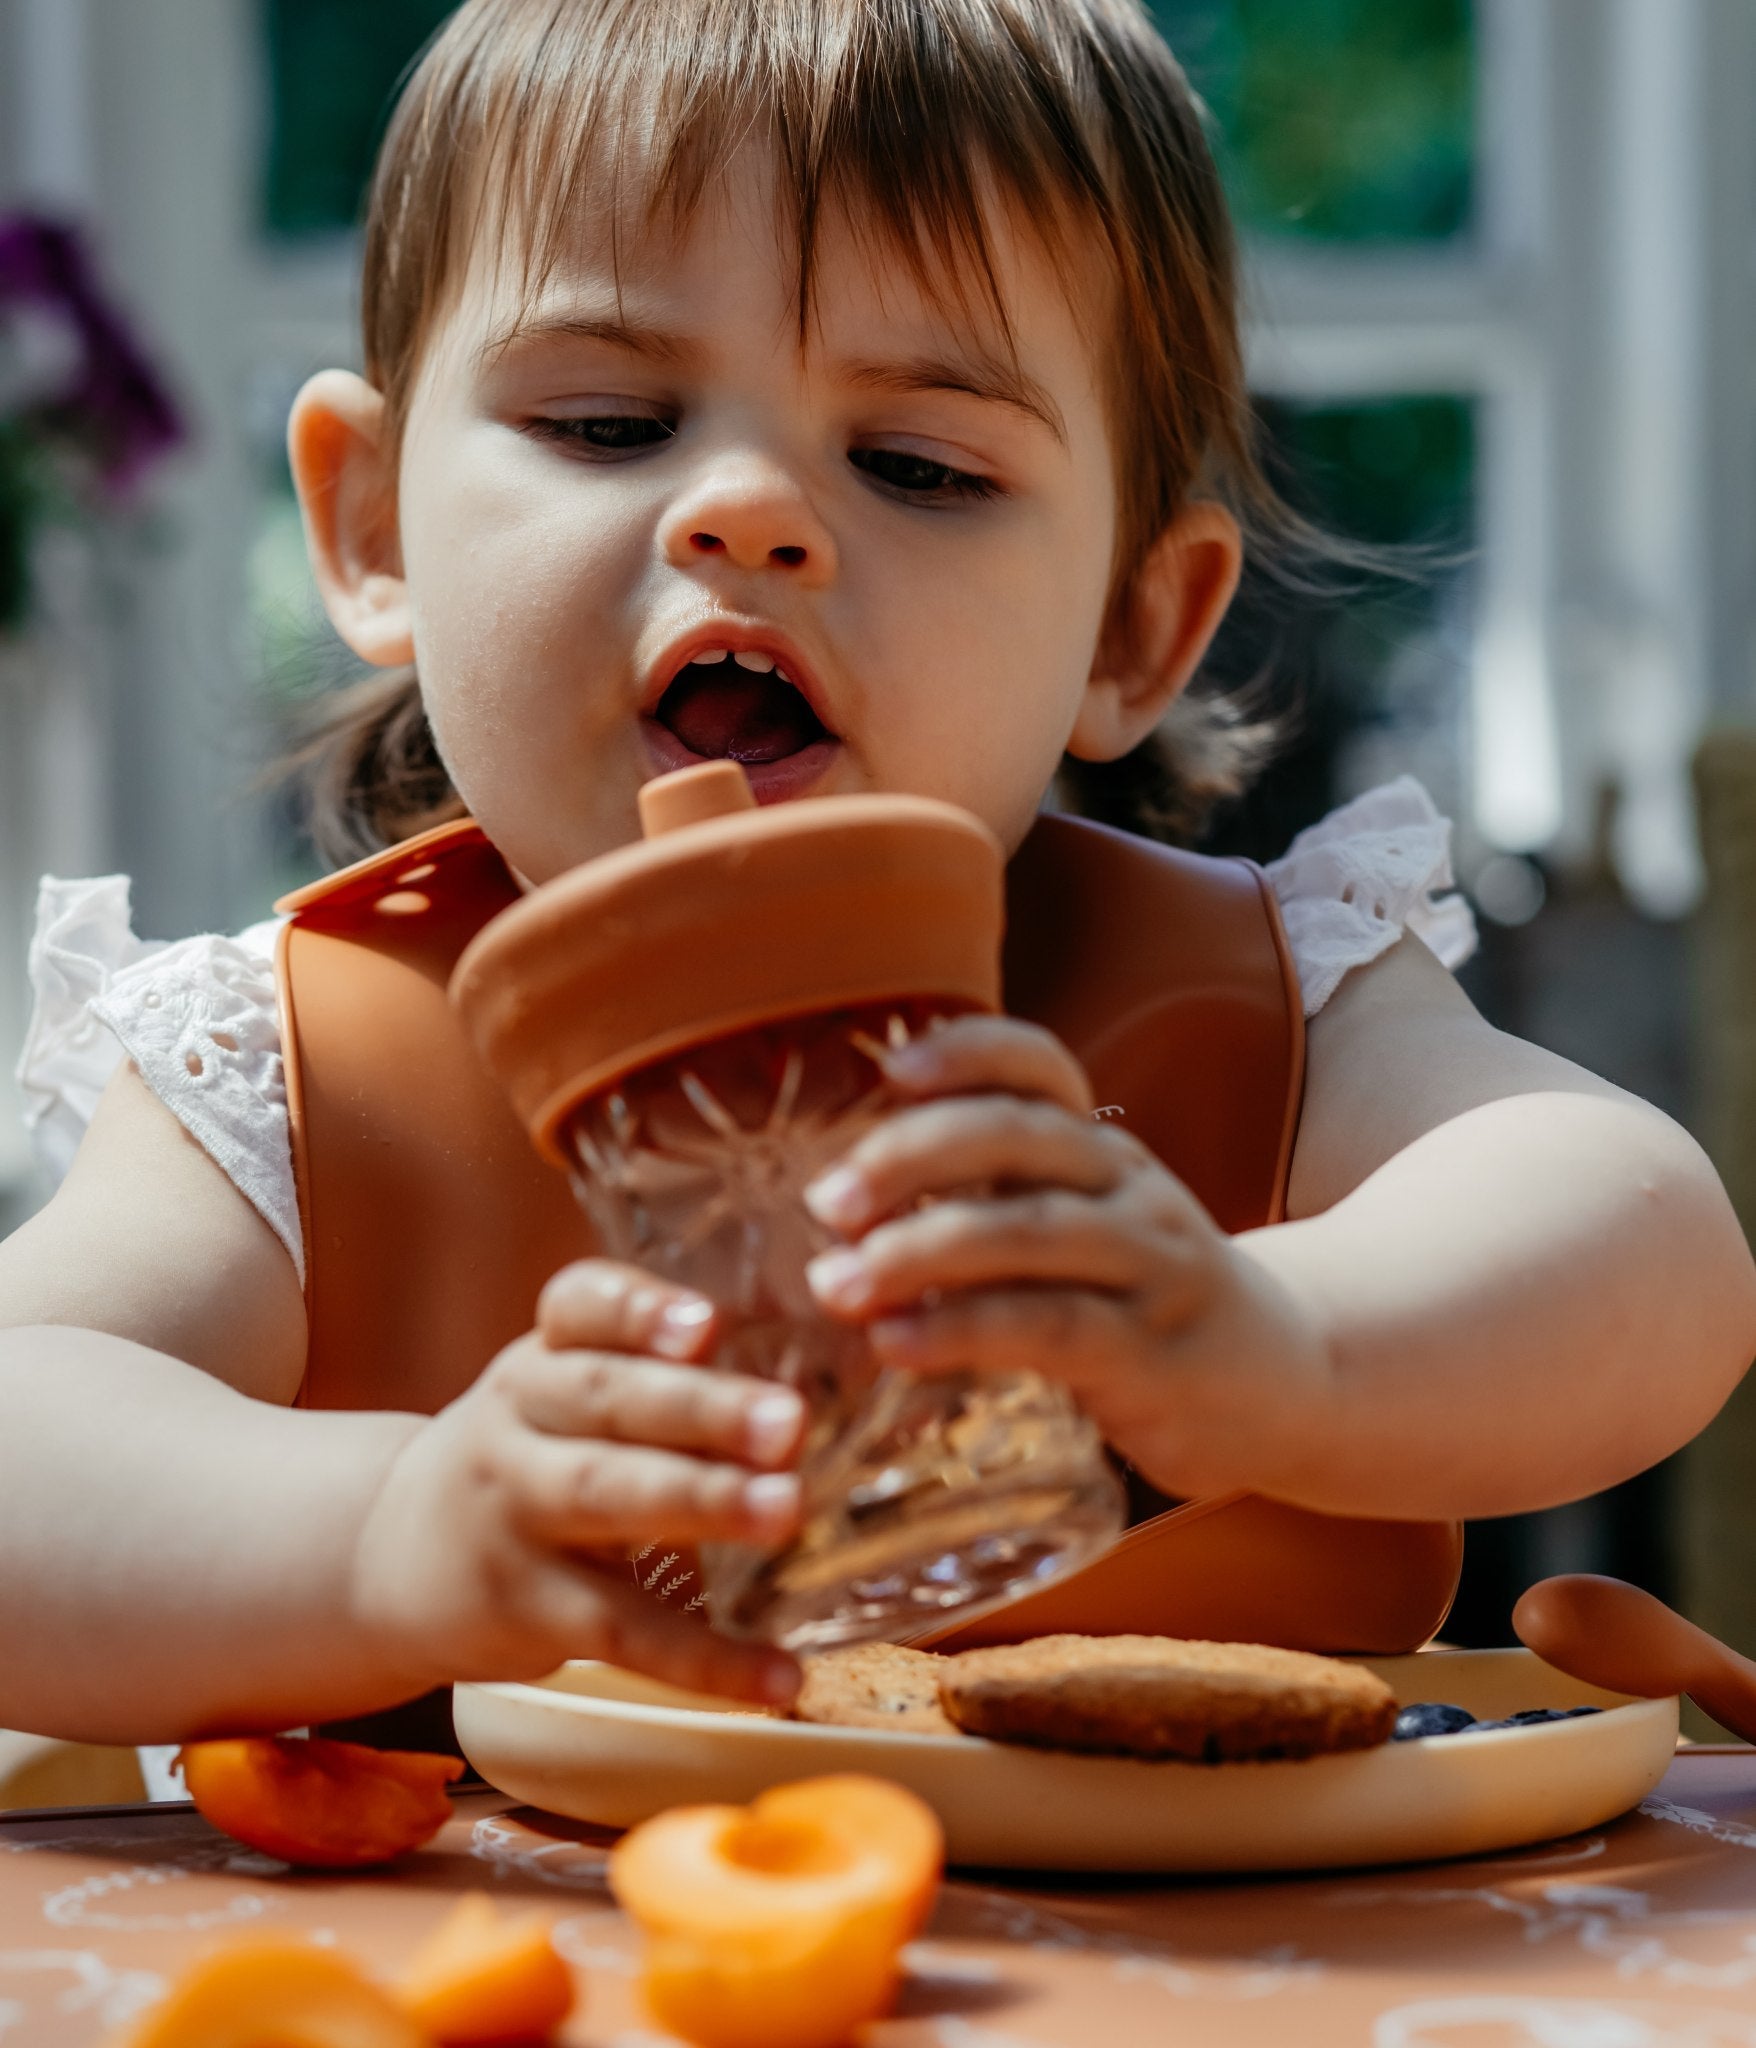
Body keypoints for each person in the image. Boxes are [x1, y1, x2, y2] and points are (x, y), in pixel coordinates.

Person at [2, 0, 1752, 1750]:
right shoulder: (295, 1069)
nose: (750, 513)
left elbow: (1655, 1249)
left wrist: (1272, 1344)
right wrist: (381, 1539)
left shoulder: (1267, 1004)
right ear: (374, 529)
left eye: (918, 464)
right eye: (612, 422)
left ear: (1134, 627)